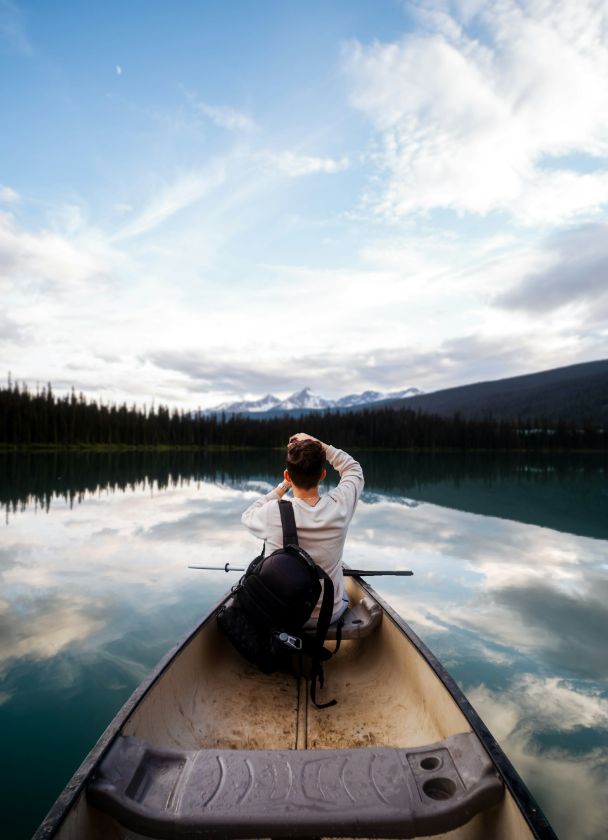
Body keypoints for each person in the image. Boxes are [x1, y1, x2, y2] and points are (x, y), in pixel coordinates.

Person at [241, 432, 364, 625]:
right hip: (328, 614)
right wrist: (319, 444)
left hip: (282, 615)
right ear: (322, 475)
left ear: (287, 475)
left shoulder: (272, 512)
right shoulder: (340, 504)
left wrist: (283, 486)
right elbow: (353, 469)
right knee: (344, 592)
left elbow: (248, 515)